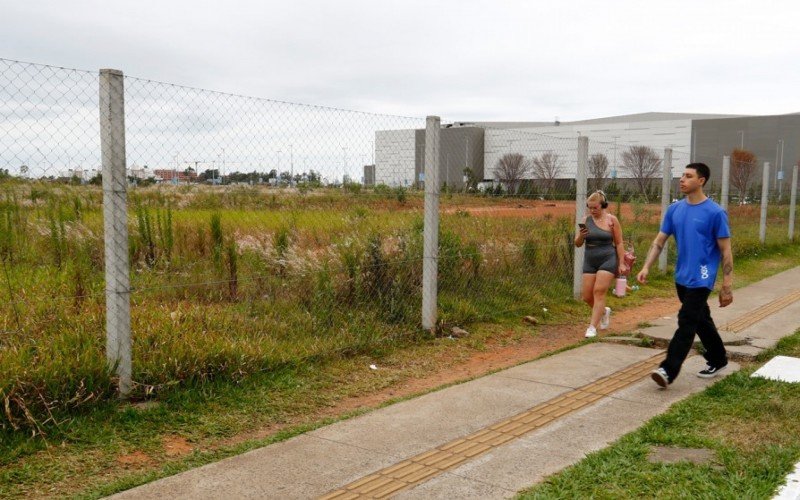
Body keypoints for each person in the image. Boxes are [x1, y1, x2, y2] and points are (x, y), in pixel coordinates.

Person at [637, 163, 733, 388]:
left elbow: (725, 250)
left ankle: (668, 370)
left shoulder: (715, 213)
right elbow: (659, 241)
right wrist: (646, 267)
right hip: (682, 277)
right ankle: (718, 359)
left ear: (701, 181)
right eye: (682, 175)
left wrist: (727, 284)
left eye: (688, 176)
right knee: (701, 320)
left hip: (702, 276)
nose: (682, 180)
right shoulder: (675, 210)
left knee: (687, 320)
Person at [574, 190, 627, 338]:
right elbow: (577, 244)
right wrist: (581, 237)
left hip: (607, 258)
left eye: (595, 208)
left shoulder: (612, 220)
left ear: (603, 206)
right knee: (586, 296)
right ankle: (604, 312)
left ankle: (592, 327)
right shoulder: (585, 220)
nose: (592, 210)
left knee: (599, 291)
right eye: (589, 208)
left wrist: (621, 263)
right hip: (590, 259)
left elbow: (619, 242)